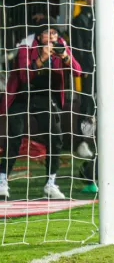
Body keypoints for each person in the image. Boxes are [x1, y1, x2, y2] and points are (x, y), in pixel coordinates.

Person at [0, 21, 82, 200]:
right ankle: (2, 180)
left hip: (45, 97)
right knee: (14, 137)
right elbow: (23, 77)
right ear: (39, 36)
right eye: (47, 33)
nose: (52, 37)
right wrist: (41, 59)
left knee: (56, 138)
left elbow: (78, 72)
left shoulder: (61, 45)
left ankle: (51, 183)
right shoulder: (26, 45)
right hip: (22, 94)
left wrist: (65, 57)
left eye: (54, 33)